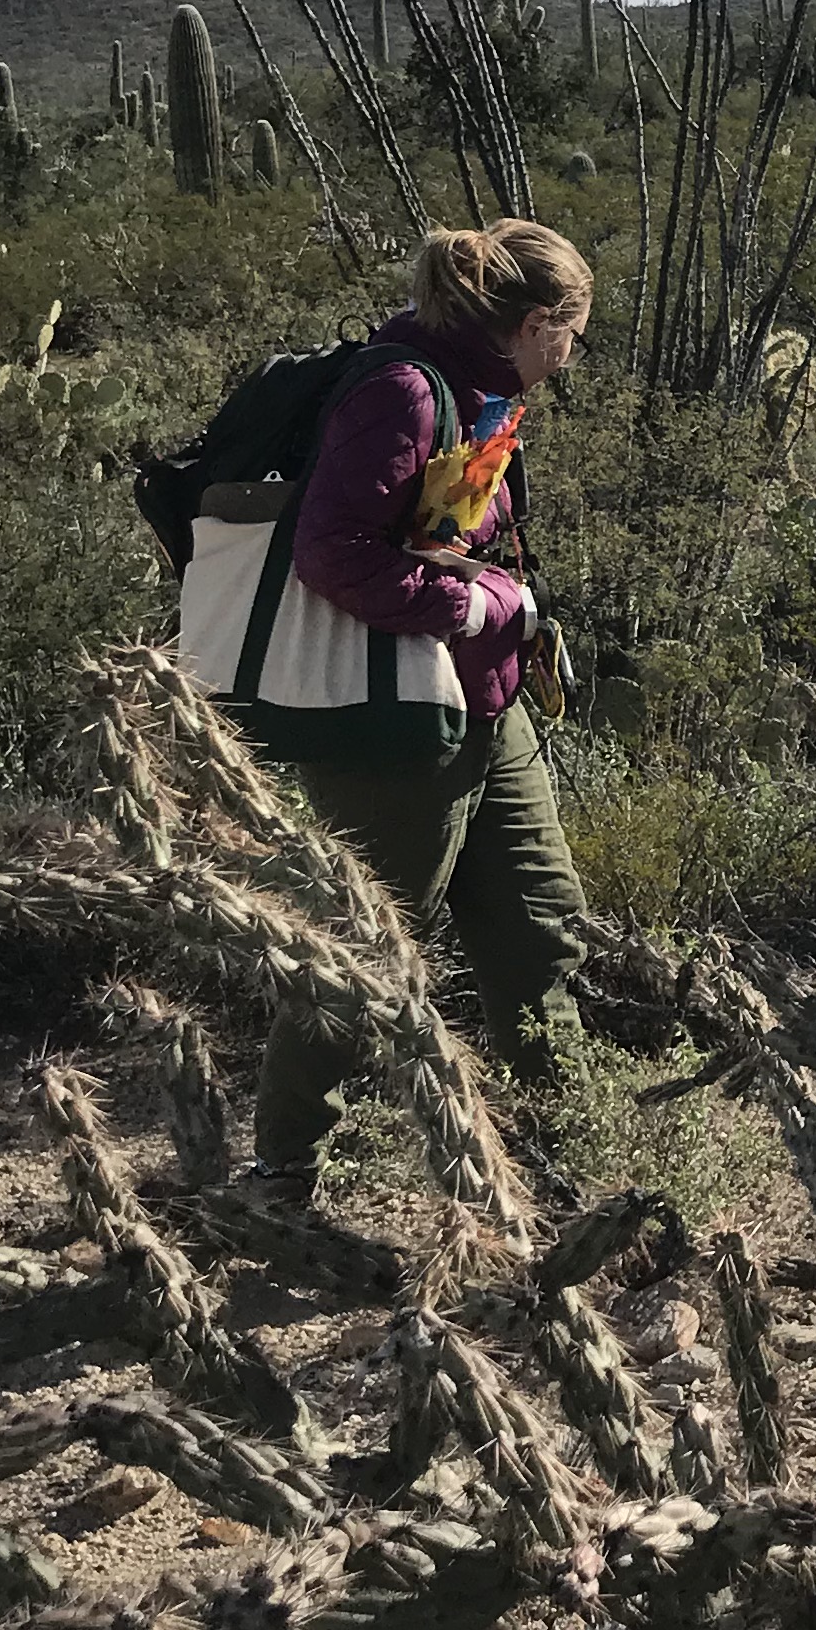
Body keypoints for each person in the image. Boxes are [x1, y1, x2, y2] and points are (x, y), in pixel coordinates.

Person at [250, 218, 595, 1200]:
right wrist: (481, 601)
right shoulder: (403, 394)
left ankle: (562, 1152)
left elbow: (443, 532)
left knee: (540, 927)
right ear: (535, 323)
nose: (571, 355)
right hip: (390, 722)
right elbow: (331, 555)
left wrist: (493, 611)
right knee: (365, 952)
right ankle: (282, 1175)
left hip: (486, 699)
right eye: (570, 333)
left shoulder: (483, 392)